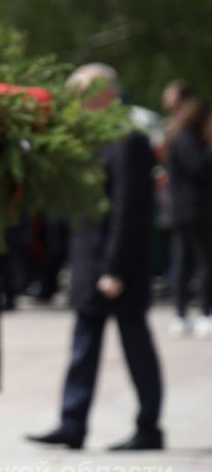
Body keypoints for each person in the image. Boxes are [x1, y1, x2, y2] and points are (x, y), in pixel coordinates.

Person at [27, 63, 165, 451]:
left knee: (136, 346)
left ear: (102, 93)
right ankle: (72, 424)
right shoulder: (97, 138)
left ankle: (149, 426)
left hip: (115, 267)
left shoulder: (128, 138)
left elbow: (130, 208)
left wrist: (114, 268)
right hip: (91, 263)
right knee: (83, 347)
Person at [162, 92, 211, 336]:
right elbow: (198, 167)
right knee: (202, 260)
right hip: (195, 208)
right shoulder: (186, 139)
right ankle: (203, 311)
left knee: (184, 260)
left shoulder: (179, 137)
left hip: (183, 209)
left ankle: (182, 313)